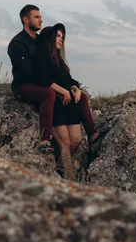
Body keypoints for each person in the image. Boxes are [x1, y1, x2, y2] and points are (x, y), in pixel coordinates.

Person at [34, 23, 100, 171]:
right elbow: (44, 80)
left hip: (69, 105)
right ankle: (66, 176)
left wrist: (76, 89)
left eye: (62, 37)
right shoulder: (42, 57)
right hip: (56, 105)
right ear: (49, 37)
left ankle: (58, 169)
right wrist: (63, 91)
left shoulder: (58, 59)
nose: (60, 40)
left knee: (76, 140)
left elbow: (70, 80)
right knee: (66, 144)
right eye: (57, 36)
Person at [7, 4, 57, 153]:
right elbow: (27, 72)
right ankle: (45, 140)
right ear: (25, 19)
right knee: (49, 93)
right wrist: (50, 83)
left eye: (41, 17)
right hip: (23, 86)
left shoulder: (42, 40)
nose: (40, 20)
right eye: (37, 17)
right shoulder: (17, 43)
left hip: (41, 82)